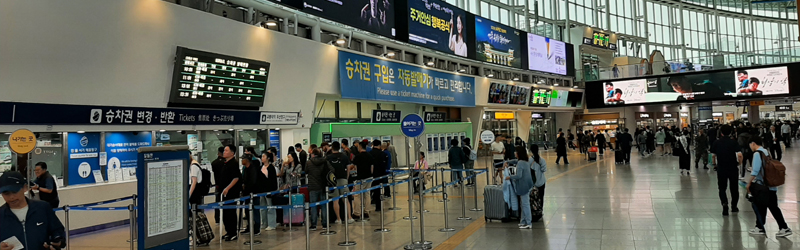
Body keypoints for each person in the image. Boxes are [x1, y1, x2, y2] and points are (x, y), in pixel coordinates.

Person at [0, 171, 66, 250]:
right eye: (6, 193)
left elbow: (57, 231)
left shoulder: (43, 208)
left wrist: (57, 242)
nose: (11, 197)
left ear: (24, 188)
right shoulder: (1, 215)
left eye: (15, 191)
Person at [746, 136, 793, 237]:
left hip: (763, 186)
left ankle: (783, 227)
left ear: (753, 143)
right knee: (767, 206)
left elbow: (755, 170)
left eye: (750, 145)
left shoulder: (757, 154)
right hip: (771, 185)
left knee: (764, 206)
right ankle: (760, 227)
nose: (750, 147)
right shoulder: (766, 152)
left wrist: (749, 183)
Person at [711, 125, 742, 216]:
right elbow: (740, 155)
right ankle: (734, 206)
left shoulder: (717, 142)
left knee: (722, 188)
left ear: (721, 132)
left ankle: (724, 203)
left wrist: (715, 165)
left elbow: (713, 156)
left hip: (721, 168)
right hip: (732, 168)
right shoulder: (734, 142)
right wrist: (739, 163)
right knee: (734, 188)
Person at [504, 146, 534, 229]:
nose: (514, 153)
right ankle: (523, 221)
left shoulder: (521, 163)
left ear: (518, 153)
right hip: (527, 185)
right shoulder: (525, 161)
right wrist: (507, 161)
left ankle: (528, 222)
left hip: (523, 186)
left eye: (516, 151)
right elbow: (515, 161)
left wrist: (509, 177)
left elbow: (519, 176)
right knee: (523, 204)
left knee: (525, 204)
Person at [326, 142, 356, 224]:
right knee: (345, 199)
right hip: (343, 179)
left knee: (335, 200)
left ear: (332, 148)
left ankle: (338, 219)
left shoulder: (328, 157)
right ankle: (349, 217)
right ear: (339, 148)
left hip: (333, 181)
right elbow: (348, 168)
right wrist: (346, 177)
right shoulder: (344, 156)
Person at [306, 148, 334, 231]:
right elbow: (332, 170)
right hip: (323, 186)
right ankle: (325, 224)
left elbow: (306, 171)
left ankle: (313, 224)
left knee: (313, 206)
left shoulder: (309, 162)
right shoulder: (325, 162)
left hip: (313, 186)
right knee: (324, 206)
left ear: (313, 154)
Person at [219, 145, 242, 241]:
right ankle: (228, 231)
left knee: (231, 213)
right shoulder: (225, 163)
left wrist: (228, 188)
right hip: (224, 193)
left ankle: (233, 233)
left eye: (226, 150)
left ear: (232, 153)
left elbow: (236, 178)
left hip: (231, 193)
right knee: (225, 213)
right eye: (224, 150)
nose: (224, 152)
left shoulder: (234, 163)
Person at [351, 140, 373, 220]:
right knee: (367, 194)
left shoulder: (358, 156)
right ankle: (366, 212)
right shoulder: (370, 156)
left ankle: (357, 213)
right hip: (369, 178)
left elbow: (353, 166)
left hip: (360, 178)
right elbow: (372, 168)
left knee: (357, 195)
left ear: (360, 147)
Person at [239, 156, 260, 235]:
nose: (241, 161)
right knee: (247, 211)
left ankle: (256, 228)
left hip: (253, 193)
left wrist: (246, 187)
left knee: (255, 211)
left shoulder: (253, 169)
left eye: (242, 159)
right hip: (246, 194)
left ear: (246, 160)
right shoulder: (245, 169)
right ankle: (249, 227)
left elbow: (253, 181)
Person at [260, 152, 279, 231]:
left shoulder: (271, 168)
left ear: (268, 158)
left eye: (264, 156)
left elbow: (273, 181)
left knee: (270, 208)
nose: (262, 158)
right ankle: (264, 223)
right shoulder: (261, 167)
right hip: (262, 191)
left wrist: (272, 191)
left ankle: (271, 224)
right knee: (263, 208)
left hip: (269, 191)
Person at [368, 140, 388, 211]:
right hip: (380, 175)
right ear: (379, 145)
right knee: (378, 190)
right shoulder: (382, 154)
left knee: (368, 191)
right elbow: (384, 165)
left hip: (370, 175)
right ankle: (378, 206)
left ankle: (367, 206)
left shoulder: (369, 153)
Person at [529, 145, 547, 213]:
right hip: (541, 181)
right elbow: (544, 169)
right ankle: (540, 209)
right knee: (541, 196)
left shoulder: (530, 160)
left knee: (533, 197)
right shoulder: (542, 160)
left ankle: (534, 209)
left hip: (533, 182)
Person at [211, 147, 225, 223]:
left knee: (217, 202)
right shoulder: (225, 162)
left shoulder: (214, 163)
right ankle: (224, 217)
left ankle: (217, 218)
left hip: (217, 185)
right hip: (225, 185)